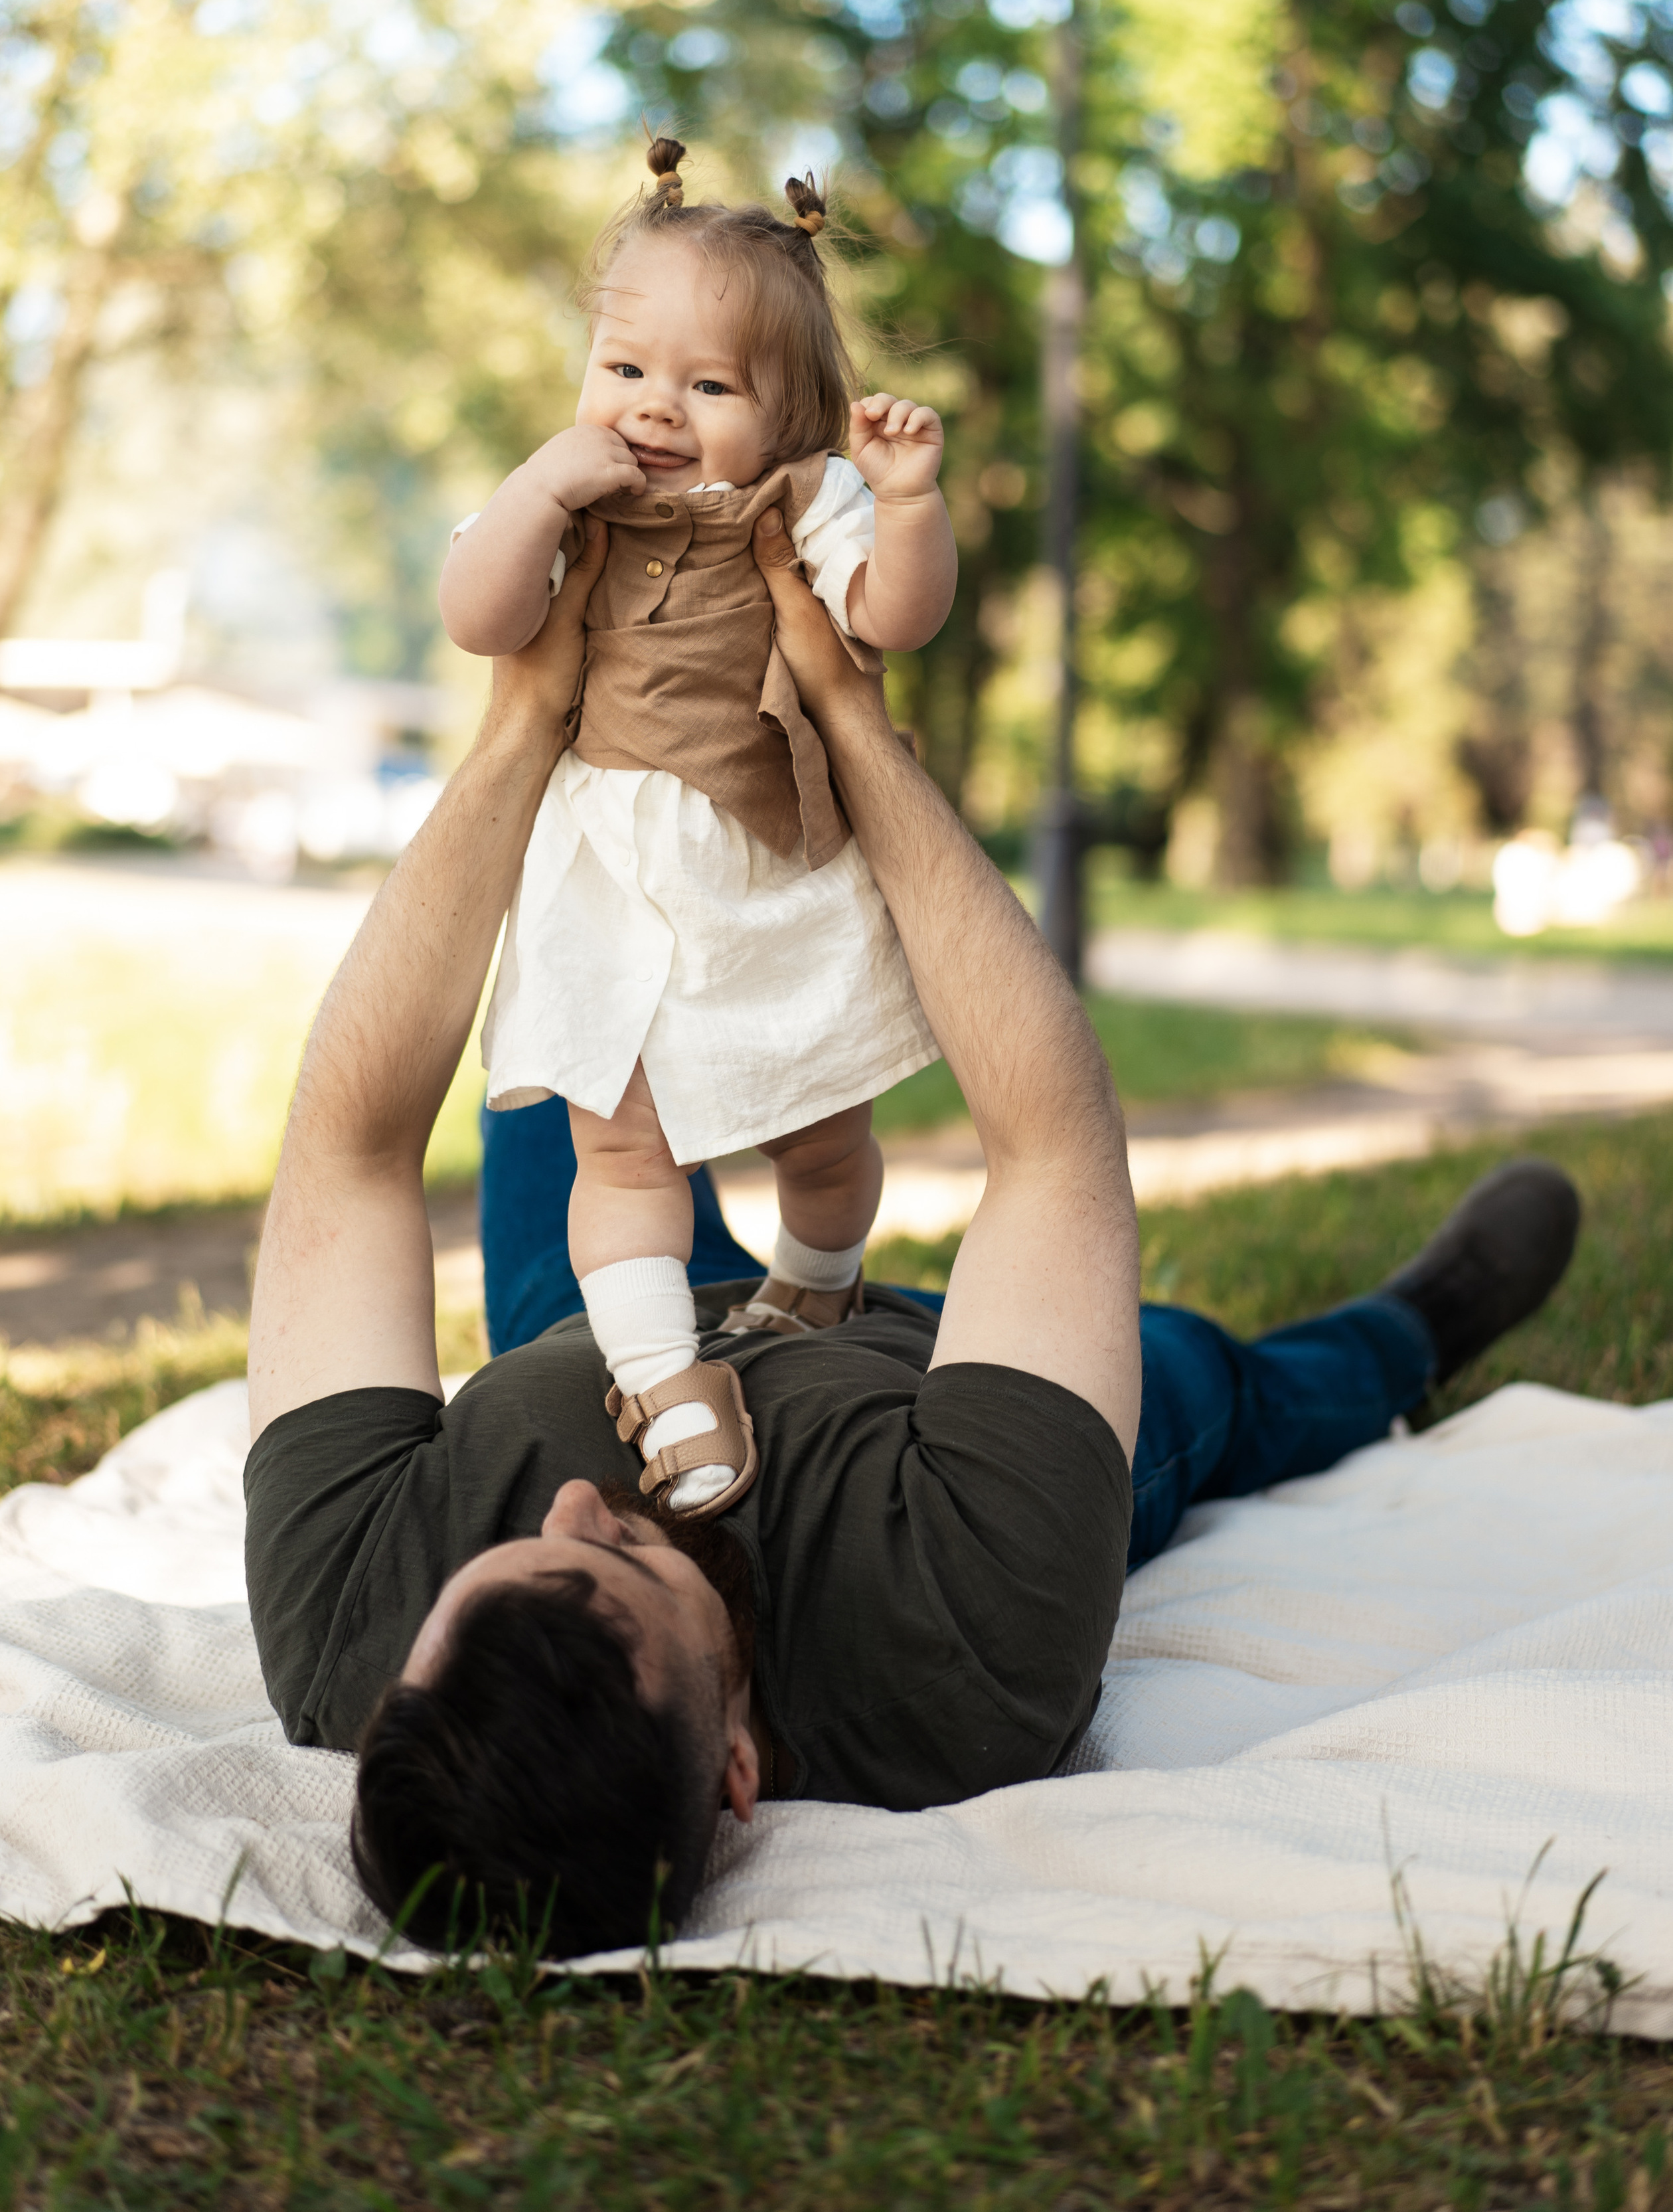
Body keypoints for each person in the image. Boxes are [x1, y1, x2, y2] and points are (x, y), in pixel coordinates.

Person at [244, 516, 1582, 1959]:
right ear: (738, 1770)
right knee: (1197, 1378)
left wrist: (524, 725)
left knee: (562, 1024)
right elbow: (1050, 1146)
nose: (569, 1504)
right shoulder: (966, 1648)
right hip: (926, 1382)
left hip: (599, 1306)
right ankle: (1413, 1328)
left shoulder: (347, 1629)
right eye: (618, 1565)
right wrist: (851, 724)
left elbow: (352, 1151)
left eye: (494, 1561)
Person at [436, 139, 957, 1516]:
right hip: (607, 877)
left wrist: (903, 506)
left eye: (709, 385)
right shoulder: (569, 494)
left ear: (791, 415)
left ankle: (821, 1277)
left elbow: (890, 620)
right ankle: (664, 1376)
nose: (654, 409)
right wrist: (541, 493)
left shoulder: (807, 498)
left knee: (819, 1132)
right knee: (615, 1149)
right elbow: (481, 619)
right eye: (624, 369)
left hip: (766, 865)